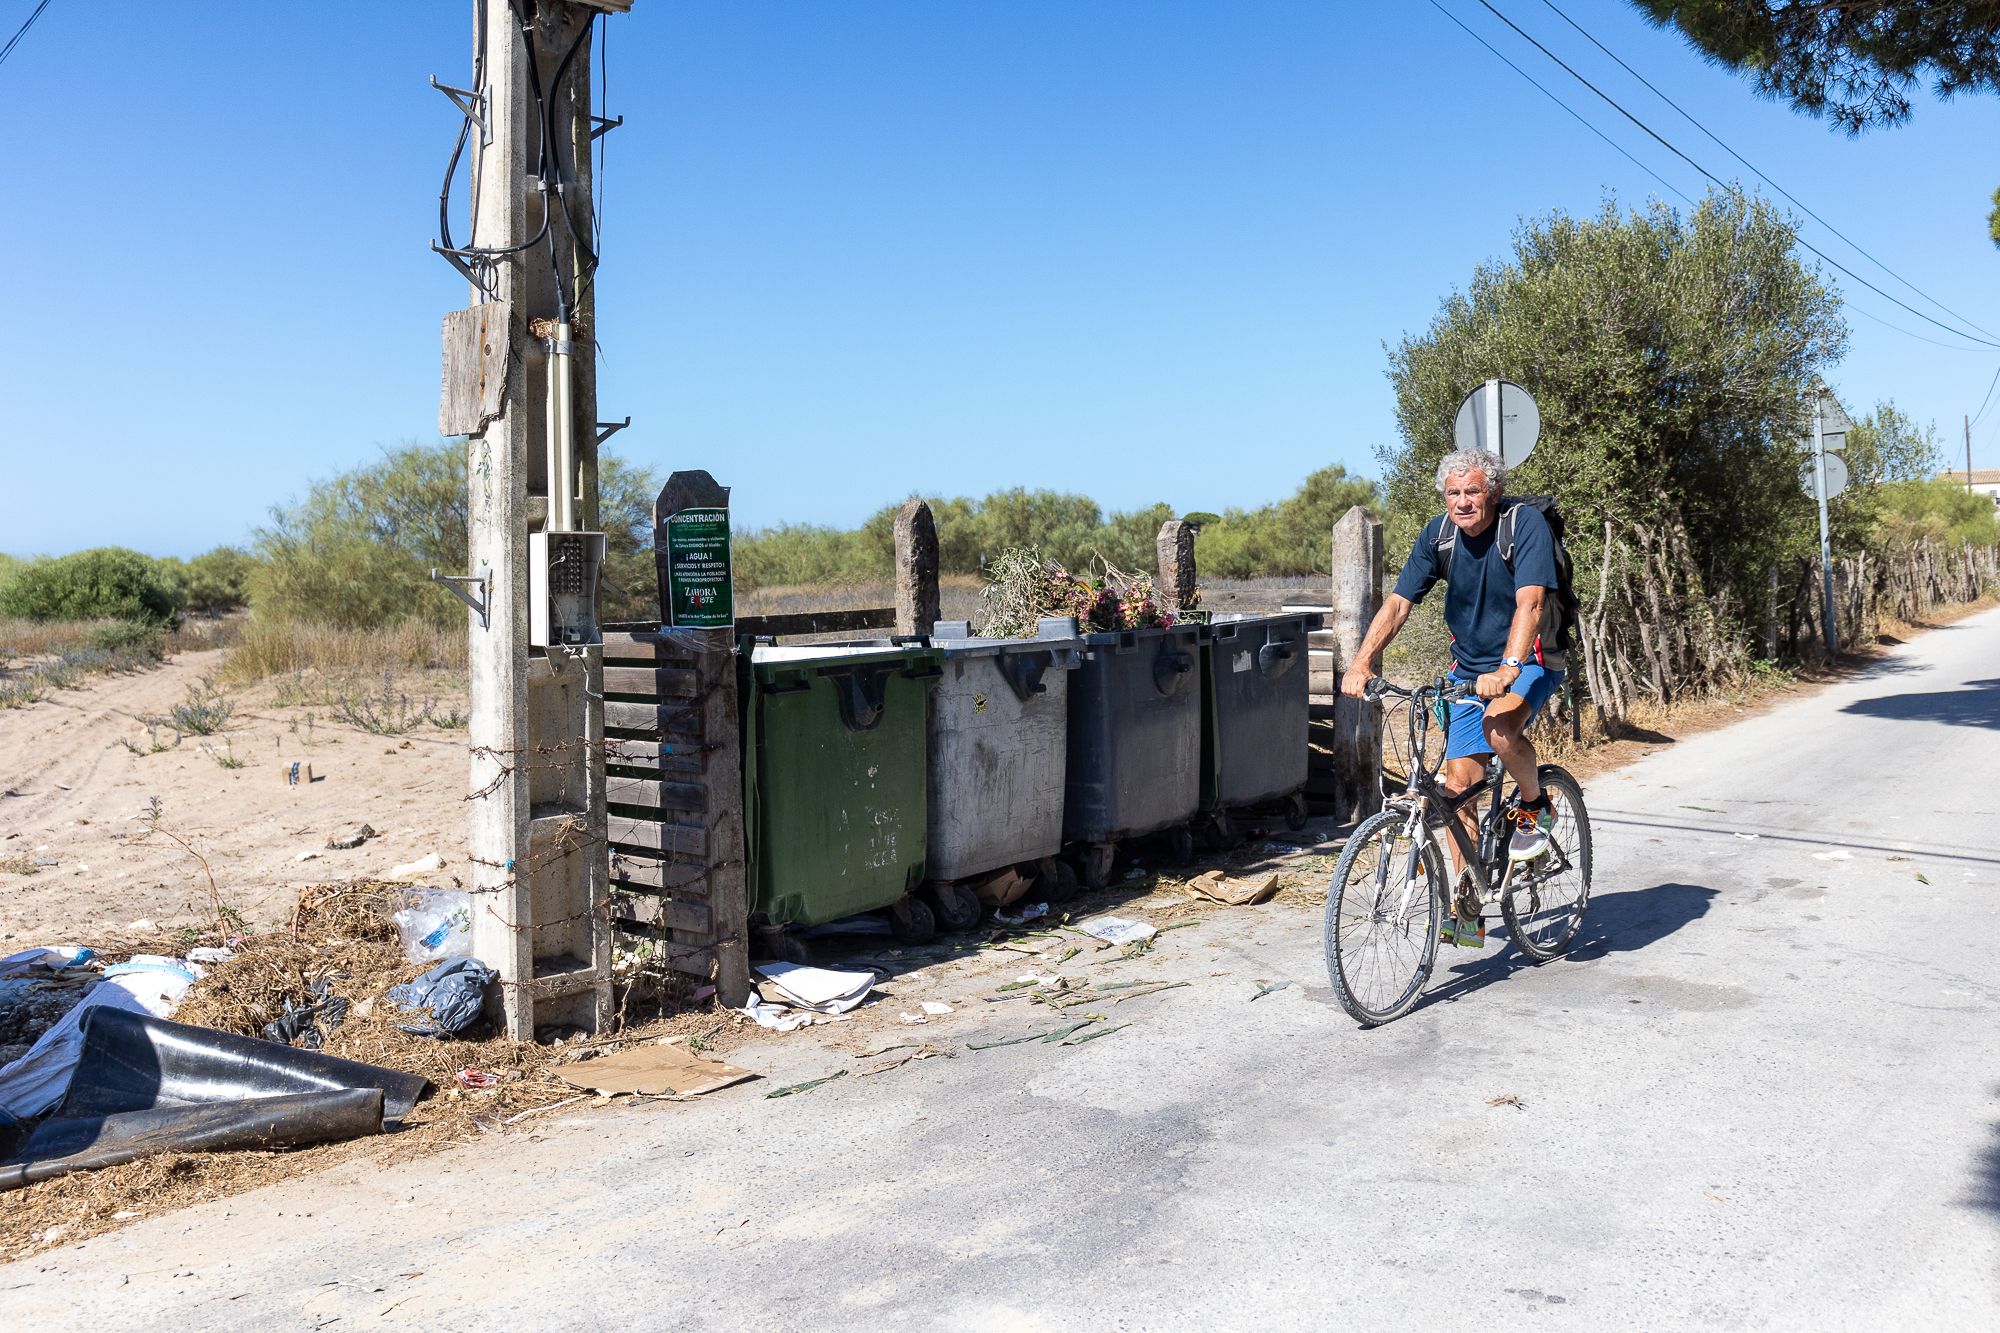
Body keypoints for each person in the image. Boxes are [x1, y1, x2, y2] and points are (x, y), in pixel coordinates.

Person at [1339, 445, 1564, 926]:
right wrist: (1362, 662)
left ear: (1494, 492)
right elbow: (1399, 604)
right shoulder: (1439, 536)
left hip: (1528, 659)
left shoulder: (1523, 525)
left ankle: (1536, 805)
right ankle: (1467, 912)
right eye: (1453, 493)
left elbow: (1532, 604)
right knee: (1459, 788)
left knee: (1500, 726)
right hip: (1468, 671)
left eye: (1473, 491)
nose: (1462, 501)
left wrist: (1507, 667)